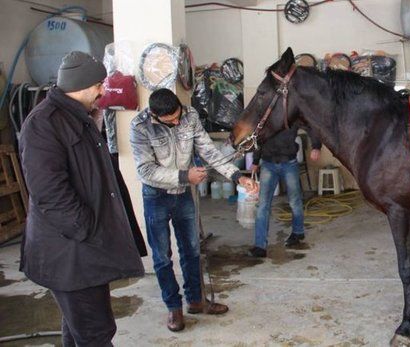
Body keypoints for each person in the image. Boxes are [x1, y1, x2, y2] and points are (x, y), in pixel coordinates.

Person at [19, 51, 145, 346]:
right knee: (96, 334)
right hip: (71, 250)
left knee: (79, 329)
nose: (103, 91)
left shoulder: (79, 118)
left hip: (82, 250)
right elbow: (49, 193)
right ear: (82, 84)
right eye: (99, 85)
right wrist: (86, 230)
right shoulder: (44, 124)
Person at [129, 88, 258, 332]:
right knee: (162, 256)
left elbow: (208, 151)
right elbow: (145, 170)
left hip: (184, 195)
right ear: (155, 115)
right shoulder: (140, 126)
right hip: (155, 196)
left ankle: (196, 300)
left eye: (178, 116)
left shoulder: (189, 115)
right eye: (170, 121)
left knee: (191, 249)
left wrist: (237, 176)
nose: (177, 122)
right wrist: (183, 175)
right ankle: (173, 307)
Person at [247, 127, 321, 258]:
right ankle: (260, 246)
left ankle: (298, 232)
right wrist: (255, 161)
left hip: (289, 163)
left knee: (295, 201)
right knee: (263, 205)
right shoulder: (267, 115)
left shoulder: (291, 114)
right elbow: (258, 138)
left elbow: (311, 126)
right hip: (268, 164)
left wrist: (316, 146)